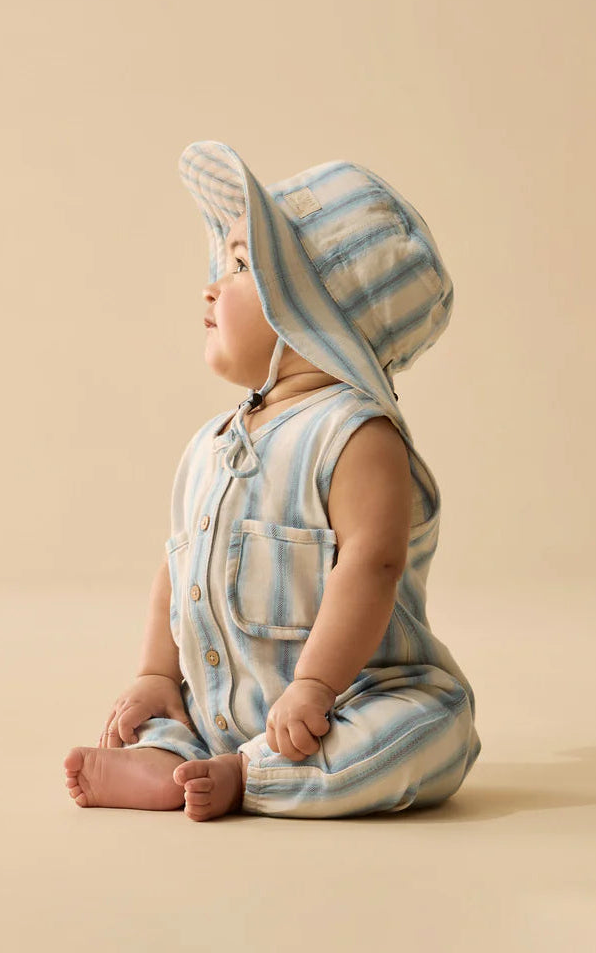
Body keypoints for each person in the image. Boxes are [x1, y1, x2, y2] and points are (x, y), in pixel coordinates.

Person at [64, 140, 482, 821]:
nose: (210, 284)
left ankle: (251, 777)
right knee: (170, 713)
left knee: (431, 731)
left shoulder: (356, 436)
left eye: (238, 267)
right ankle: (175, 753)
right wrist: (155, 675)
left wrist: (316, 685)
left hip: (346, 701)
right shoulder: (212, 443)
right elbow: (179, 568)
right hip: (223, 705)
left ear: (312, 307)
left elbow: (370, 568)